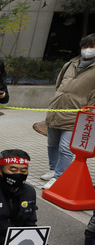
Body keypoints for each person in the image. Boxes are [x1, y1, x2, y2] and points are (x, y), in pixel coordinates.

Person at [42, 33, 95, 189]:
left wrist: (89, 112)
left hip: (76, 114)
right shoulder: (70, 64)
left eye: (92, 46)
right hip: (56, 110)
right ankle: (53, 169)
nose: (88, 50)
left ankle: (59, 176)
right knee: (52, 144)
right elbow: (59, 85)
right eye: (85, 46)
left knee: (66, 148)